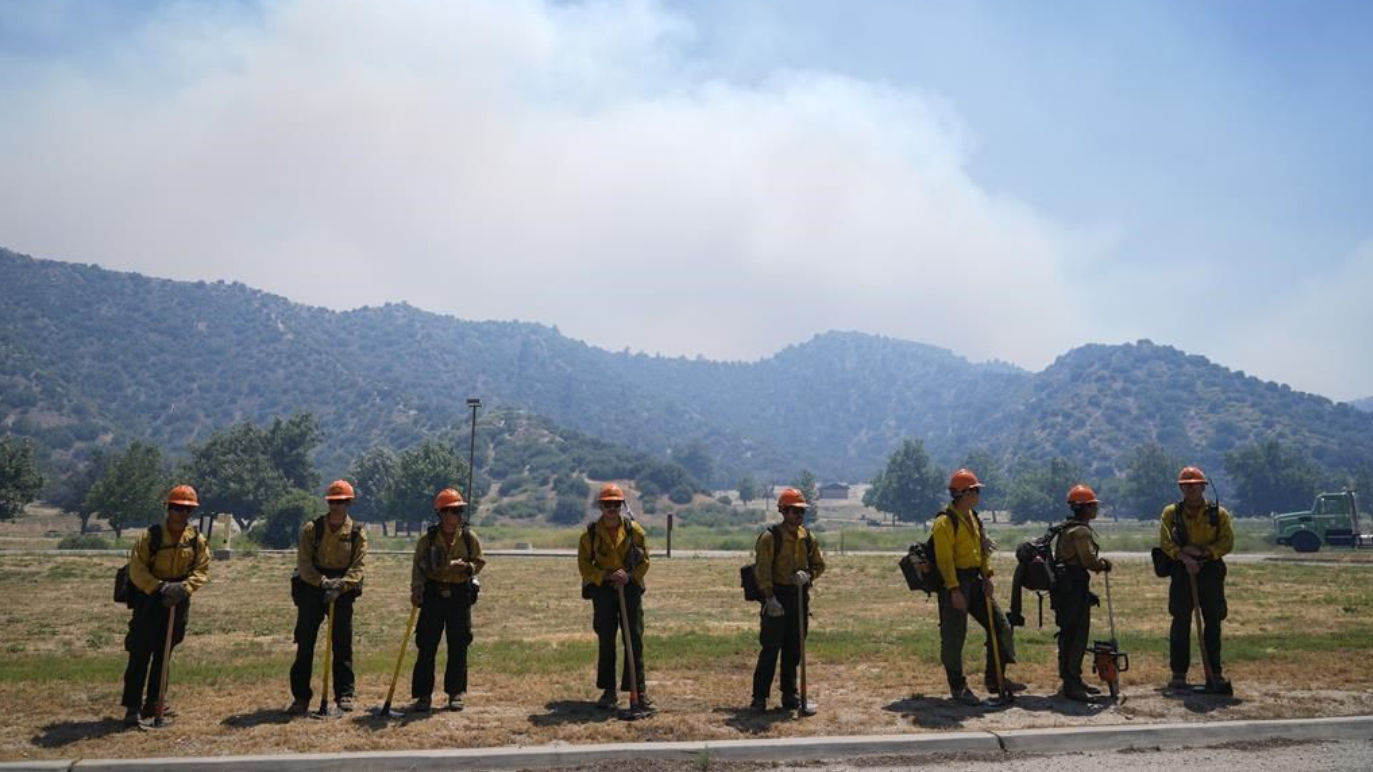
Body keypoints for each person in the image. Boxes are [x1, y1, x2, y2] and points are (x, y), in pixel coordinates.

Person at [120, 484, 210, 727]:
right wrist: (160, 588)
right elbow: (137, 570)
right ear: (168, 508)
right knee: (140, 653)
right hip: (150, 598)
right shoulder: (151, 537)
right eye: (178, 508)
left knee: (164, 653)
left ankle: (155, 702)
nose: (182, 514)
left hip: (179, 597)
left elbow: (202, 569)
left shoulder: (196, 539)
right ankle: (133, 707)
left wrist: (184, 588)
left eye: (187, 510)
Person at [933, 468, 1022, 705]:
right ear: (963, 493)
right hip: (957, 583)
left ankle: (995, 679)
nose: (979, 494)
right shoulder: (945, 522)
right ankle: (958, 687)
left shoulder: (974, 517)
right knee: (954, 636)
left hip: (975, 580)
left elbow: (981, 550)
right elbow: (944, 560)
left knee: (1001, 625)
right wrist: (953, 590)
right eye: (975, 490)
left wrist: (987, 576)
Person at [287, 479, 368, 714]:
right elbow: (303, 563)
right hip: (313, 588)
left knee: (342, 645)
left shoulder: (356, 532)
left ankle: (344, 695)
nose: (336, 506)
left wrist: (341, 585)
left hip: (342, 591)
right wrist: (322, 582)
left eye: (341, 502)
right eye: (332, 501)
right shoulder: (313, 529)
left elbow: (359, 566)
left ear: (349, 503)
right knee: (305, 643)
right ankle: (301, 697)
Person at [577, 483, 653, 711]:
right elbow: (584, 566)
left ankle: (637, 690)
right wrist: (607, 575)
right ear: (600, 506)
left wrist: (629, 577)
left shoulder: (634, 531)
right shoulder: (589, 535)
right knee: (606, 639)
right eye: (608, 504)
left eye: (616, 504)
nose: (612, 509)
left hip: (629, 588)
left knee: (634, 639)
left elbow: (645, 560)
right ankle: (608, 692)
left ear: (621, 506)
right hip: (603, 589)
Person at [409, 488, 486, 712]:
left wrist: (469, 567)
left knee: (459, 645)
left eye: (460, 510)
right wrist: (416, 590)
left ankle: (455, 693)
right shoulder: (428, 539)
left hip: (459, 595)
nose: (459, 515)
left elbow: (480, 561)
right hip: (433, 594)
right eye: (454, 510)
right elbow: (418, 566)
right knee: (426, 645)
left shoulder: (470, 538)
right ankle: (423, 695)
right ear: (442, 513)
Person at [750, 487, 826, 712]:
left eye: (802, 511)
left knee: (794, 650)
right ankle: (759, 698)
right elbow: (762, 570)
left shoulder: (808, 537)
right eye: (794, 511)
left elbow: (819, 565)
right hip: (776, 597)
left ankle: (790, 696)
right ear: (783, 511)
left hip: (799, 597)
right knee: (770, 649)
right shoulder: (770, 537)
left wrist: (808, 575)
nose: (799, 515)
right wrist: (770, 599)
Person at [1158, 466, 1234, 691]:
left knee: (1213, 621)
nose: (1191, 489)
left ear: (1203, 487)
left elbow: (1227, 542)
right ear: (1181, 488)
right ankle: (1179, 673)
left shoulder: (1218, 514)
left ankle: (1214, 673)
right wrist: (1183, 556)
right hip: (1182, 571)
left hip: (1210, 570)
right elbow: (1165, 541)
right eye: (1186, 486)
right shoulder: (1171, 513)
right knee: (1180, 621)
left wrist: (1203, 554)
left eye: (1194, 485)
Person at [1052, 484, 1113, 701]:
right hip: (1073, 589)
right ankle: (1071, 683)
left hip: (1066, 589)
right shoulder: (1081, 531)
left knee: (1068, 634)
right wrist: (1103, 564)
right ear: (1085, 508)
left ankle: (1073, 679)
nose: (1095, 509)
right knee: (1076, 636)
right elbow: (1088, 561)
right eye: (1093, 505)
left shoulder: (1067, 528)